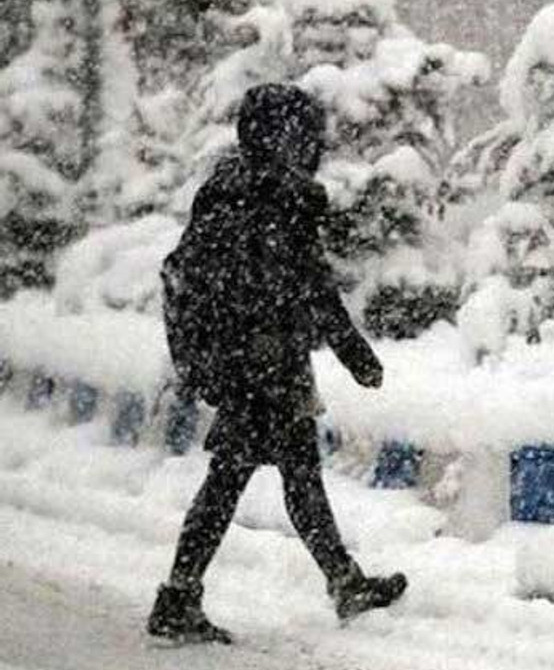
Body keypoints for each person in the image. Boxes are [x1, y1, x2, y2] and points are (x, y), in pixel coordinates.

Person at [148, 84, 407, 645]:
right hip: (260, 368)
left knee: (290, 475)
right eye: (304, 133)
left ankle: (341, 581)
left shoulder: (235, 191)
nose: (313, 144)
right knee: (239, 480)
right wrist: (353, 351)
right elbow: (307, 285)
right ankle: (178, 597)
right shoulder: (270, 199)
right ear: (281, 136)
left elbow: (270, 282)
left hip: (253, 363)